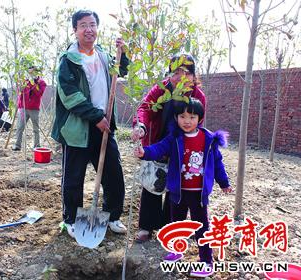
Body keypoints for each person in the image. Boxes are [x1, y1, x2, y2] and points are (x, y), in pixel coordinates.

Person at [51, 10, 130, 238]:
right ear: (75, 30)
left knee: (113, 175)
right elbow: (70, 96)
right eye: (83, 25)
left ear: (97, 28)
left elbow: (121, 70)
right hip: (77, 131)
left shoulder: (104, 55)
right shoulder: (68, 61)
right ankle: (72, 221)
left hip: (104, 128)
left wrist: (122, 54)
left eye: (92, 24)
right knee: (73, 179)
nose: (89, 29)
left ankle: (112, 216)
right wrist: (96, 117)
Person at [134, 98, 232, 278]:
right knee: (176, 225)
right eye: (182, 116)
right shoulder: (174, 138)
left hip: (198, 195)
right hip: (177, 192)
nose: (187, 121)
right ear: (176, 118)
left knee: (202, 227)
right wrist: (144, 153)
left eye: (192, 117)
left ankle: (206, 262)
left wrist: (224, 183)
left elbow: (218, 163)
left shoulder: (208, 139)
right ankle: (176, 251)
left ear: (199, 118)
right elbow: (158, 148)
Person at [131, 54, 207, 243]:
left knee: (175, 188)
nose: (181, 77)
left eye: (187, 73)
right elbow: (145, 108)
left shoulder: (198, 97)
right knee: (151, 183)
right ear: (170, 73)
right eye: (176, 72)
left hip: (180, 146)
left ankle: (168, 227)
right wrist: (140, 126)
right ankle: (146, 227)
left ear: (193, 76)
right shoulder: (161, 89)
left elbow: (197, 123)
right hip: (156, 141)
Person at [12, 67, 46, 151]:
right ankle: (17, 145)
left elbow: (39, 94)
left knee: (36, 128)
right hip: (23, 108)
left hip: (34, 108)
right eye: (29, 72)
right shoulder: (25, 81)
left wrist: (33, 84)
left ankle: (37, 146)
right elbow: (20, 92)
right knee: (20, 127)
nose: (31, 74)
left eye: (33, 72)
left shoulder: (41, 83)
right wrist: (20, 86)